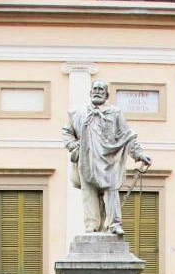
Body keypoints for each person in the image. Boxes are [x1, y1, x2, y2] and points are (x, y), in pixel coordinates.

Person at [62, 80, 152, 235]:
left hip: (109, 159)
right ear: (90, 93)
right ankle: (92, 226)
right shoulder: (77, 113)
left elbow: (126, 135)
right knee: (88, 191)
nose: (97, 91)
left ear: (106, 94)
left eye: (101, 90)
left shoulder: (115, 113)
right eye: (94, 89)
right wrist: (72, 146)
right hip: (86, 158)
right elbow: (67, 132)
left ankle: (114, 224)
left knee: (111, 190)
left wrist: (139, 154)